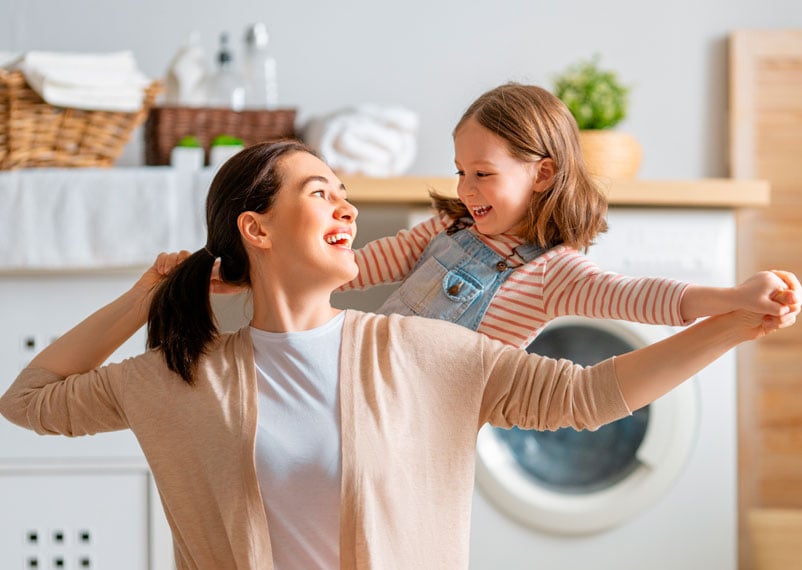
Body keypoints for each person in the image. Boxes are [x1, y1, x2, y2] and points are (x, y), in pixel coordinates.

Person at [0, 141, 798, 570]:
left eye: (343, 191)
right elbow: (27, 399)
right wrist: (148, 293)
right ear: (257, 229)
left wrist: (730, 320)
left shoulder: (422, 353)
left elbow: (587, 397)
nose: (345, 204)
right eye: (319, 191)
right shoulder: (183, 375)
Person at [340, 83, 794, 348]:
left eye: (482, 172)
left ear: (543, 174)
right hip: (371, 376)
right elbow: (366, 264)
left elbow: (638, 296)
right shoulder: (451, 225)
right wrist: (293, 264)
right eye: (460, 171)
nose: (465, 187)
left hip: (425, 420)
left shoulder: (552, 273)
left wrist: (735, 296)